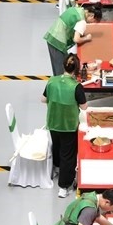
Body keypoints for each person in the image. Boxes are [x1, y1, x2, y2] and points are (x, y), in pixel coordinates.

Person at [43, 53, 88, 198]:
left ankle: (56, 167)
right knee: (68, 155)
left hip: (53, 122)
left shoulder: (52, 81)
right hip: (68, 126)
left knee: (56, 146)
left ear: (63, 66)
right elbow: (84, 107)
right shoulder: (76, 87)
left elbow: (43, 99)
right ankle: (64, 186)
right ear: (77, 69)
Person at [44, 3, 102, 76]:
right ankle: (60, 81)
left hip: (53, 35)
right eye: (94, 21)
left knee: (63, 64)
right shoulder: (82, 21)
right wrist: (87, 38)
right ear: (92, 16)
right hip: (57, 42)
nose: (91, 23)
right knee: (61, 70)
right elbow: (76, 39)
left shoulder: (78, 9)